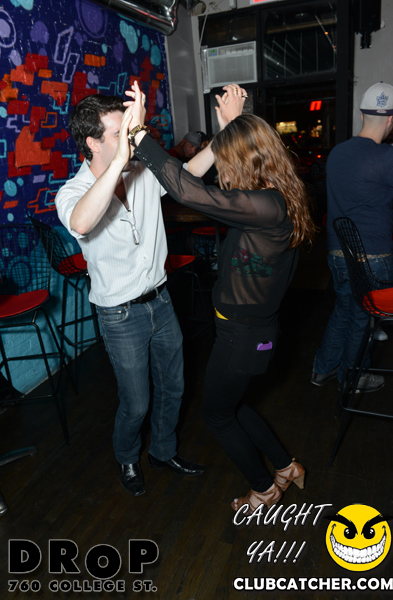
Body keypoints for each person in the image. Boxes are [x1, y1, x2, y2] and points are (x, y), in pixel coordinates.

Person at [125, 80, 316, 513]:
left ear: (245, 162)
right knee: (234, 405)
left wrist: (137, 134)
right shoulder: (278, 196)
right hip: (249, 333)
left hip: (242, 337)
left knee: (217, 415)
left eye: (226, 163)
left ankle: (264, 489)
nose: (222, 173)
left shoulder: (266, 205)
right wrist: (233, 124)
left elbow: (187, 190)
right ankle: (286, 466)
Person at [55, 94, 206, 498]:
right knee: (136, 403)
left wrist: (226, 134)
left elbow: (189, 173)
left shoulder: (142, 172)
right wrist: (122, 158)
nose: (130, 138)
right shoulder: (72, 192)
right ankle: (127, 457)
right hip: (120, 316)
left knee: (174, 386)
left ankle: (163, 452)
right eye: (119, 133)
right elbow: (82, 223)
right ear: (93, 142)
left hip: (162, 301)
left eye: (129, 129)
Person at [311, 82, 393, 392]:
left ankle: (322, 369)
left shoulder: (337, 153)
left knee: (343, 311)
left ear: (362, 115)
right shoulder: (388, 157)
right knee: (363, 318)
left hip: (338, 252)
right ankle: (352, 378)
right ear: (391, 120)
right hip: (373, 255)